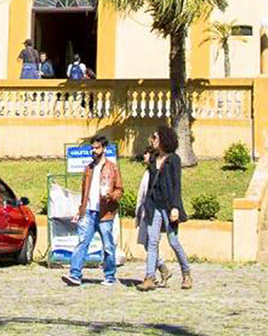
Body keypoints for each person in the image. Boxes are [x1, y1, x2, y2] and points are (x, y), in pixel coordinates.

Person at [62, 134, 123, 286]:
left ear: (104, 149)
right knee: (82, 243)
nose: (93, 151)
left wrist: (111, 196)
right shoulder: (88, 168)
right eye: (92, 148)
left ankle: (110, 275)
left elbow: (120, 190)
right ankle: (75, 274)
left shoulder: (112, 168)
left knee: (108, 246)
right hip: (89, 212)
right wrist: (80, 209)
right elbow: (84, 191)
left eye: (97, 148)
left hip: (105, 213)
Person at [137, 125, 192, 291]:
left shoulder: (174, 160)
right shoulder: (153, 160)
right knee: (152, 242)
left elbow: (177, 186)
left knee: (173, 242)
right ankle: (149, 277)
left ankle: (186, 273)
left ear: (163, 139)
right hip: (154, 206)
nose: (152, 141)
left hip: (169, 207)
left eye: (155, 137)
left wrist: (175, 207)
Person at [135, 144, 171, 286]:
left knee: (151, 243)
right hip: (144, 211)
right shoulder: (147, 172)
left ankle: (156, 272)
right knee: (147, 244)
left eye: (146, 154)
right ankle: (162, 268)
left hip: (152, 211)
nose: (144, 156)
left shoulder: (154, 173)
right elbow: (141, 195)